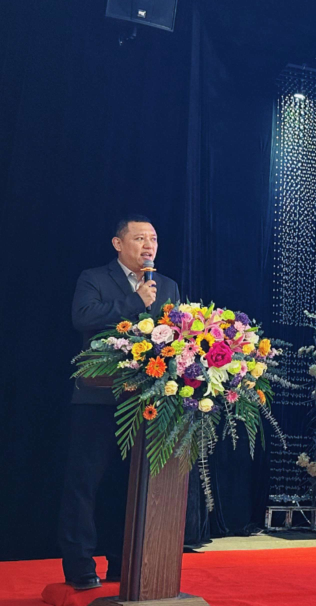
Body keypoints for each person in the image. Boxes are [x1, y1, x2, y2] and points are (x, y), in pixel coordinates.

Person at [57, 215, 180, 590]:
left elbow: (179, 335)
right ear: (118, 243)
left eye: (153, 238)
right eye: (140, 238)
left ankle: (123, 562)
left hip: (146, 402)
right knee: (85, 485)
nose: (149, 245)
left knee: (129, 487)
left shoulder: (168, 285)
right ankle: (80, 566)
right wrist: (134, 302)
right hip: (98, 398)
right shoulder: (94, 278)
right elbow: (82, 318)